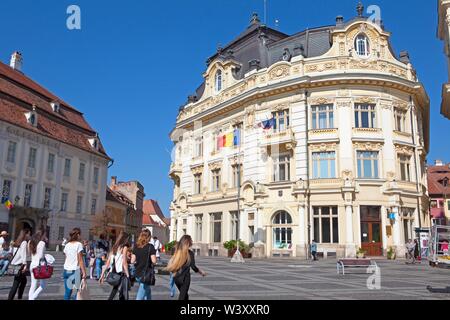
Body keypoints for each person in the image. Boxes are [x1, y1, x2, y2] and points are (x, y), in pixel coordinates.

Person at [166, 235, 206, 301]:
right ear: (188, 242)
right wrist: (201, 272)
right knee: (182, 296)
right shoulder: (190, 253)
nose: (192, 241)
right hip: (185, 279)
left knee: (185, 296)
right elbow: (193, 267)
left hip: (176, 277)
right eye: (191, 240)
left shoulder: (175, 251)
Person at [100, 231, 131, 300]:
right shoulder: (124, 247)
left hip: (114, 271)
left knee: (116, 289)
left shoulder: (114, 247)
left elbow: (108, 262)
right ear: (125, 239)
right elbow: (124, 262)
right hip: (121, 271)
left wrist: (102, 275)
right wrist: (128, 274)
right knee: (124, 290)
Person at [63, 228, 87, 300]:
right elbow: (80, 260)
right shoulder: (79, 244)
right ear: (78, 235)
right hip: (75, 271)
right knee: (77, 292)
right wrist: (84, 272)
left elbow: (66, 257)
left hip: (67, 270)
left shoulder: (67, 245)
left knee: (67, 292)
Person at [133, 229, 157, 300]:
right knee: (139, 297)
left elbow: (132, 260)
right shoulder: (150, 246)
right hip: (146, 274)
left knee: (147, 291)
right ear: (149, 237)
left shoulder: (136, 246)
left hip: (137, 273)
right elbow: (154, 261)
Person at [8, 229, 31, 300]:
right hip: (20, 266)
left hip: (15, 264)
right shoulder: (24, 242)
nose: (29, 235)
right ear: (25, 234)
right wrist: (25, 265)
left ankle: (19, 297)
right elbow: (23, 255)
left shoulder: (17, 242)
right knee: (16, 284)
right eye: (29, 234)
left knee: (23, 281)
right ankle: (12, 298)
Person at [28, 229, 48, 300]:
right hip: (40, 266)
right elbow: (40, 256)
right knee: (43, 285)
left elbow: (30, 253)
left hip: (32, 264)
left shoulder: (30, 242)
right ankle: (32, 298)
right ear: (42, 235)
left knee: (33, 285)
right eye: (45, 234)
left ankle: (30, 298)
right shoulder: (42, 243)